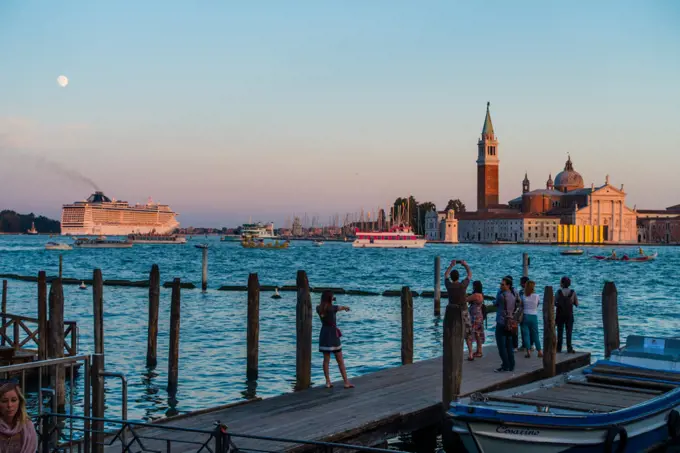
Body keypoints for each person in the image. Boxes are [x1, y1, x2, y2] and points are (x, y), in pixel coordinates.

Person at [316, 290, 354, 389]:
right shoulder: (332, 308)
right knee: (340, 360)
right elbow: (341, 307)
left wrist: (330, 299)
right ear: (330, 298)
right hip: (333, 335)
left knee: (326, 360)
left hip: (324, 334)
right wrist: (346, 307)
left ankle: (328, 382)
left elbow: (328, 306)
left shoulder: (318, 308)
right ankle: (346, 382)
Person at [444, 260, 473, 359]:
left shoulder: (449, 286)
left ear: (452, 278)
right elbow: (469, 275)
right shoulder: (462, 285)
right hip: (463, 311)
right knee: (467, 333)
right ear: (458, 277)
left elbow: (446, 275)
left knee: (452, 332)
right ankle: (470, 353)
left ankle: (453, 353)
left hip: (452, 311)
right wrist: (465, 264)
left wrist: (451, 265)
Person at [0, 379, 37, 453]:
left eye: (14, 400)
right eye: (4, 401)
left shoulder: (27, 425)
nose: (9, 405)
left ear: (20, 402)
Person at [494, 277, 518, 372]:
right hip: (510, 322)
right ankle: (511, 364)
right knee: (509, 345)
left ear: (508, 285)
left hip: (501, 322)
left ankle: (505, 365)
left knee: (501, 346)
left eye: (503, 284)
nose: (501, 286)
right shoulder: (513, 296)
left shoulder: (501, 296)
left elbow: (496, 304)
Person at [520, 280, 543, 358]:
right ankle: (539, 351)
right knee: (535, 334)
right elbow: (537, 305)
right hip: (534, 316)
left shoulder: (523, 296)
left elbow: (521, 306)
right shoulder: (536, 296)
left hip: (525, 316)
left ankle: (528, 351)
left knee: (526, 335)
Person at [556, 276, 579, 353]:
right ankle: (569, 348)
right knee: (569, 332)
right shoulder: (573, 292)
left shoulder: (558, 292)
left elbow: (554, 303)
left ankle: (558, 348)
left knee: (560, 332)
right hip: (569, 314)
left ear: (562, 283)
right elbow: (576, 304)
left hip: (560, 314)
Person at [466, 280, 485, 359]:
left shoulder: (476, 295)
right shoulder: (481, 294)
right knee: (478, 334)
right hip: (479, 316)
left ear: (475, 286)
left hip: (475, 317)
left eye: (473, 285)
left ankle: (477, 352)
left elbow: (465, 299)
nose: (472, 287)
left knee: (471, 334)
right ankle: (479, 351)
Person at [518, 276, 529, 351]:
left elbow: (520, 302)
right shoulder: (533, 291)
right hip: (531, 312)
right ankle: (530, 344)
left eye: (521, 282)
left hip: (523, 312)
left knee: (523, 329)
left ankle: (524, 345)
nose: (520, 284)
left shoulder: (521, 292)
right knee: (529, 329)